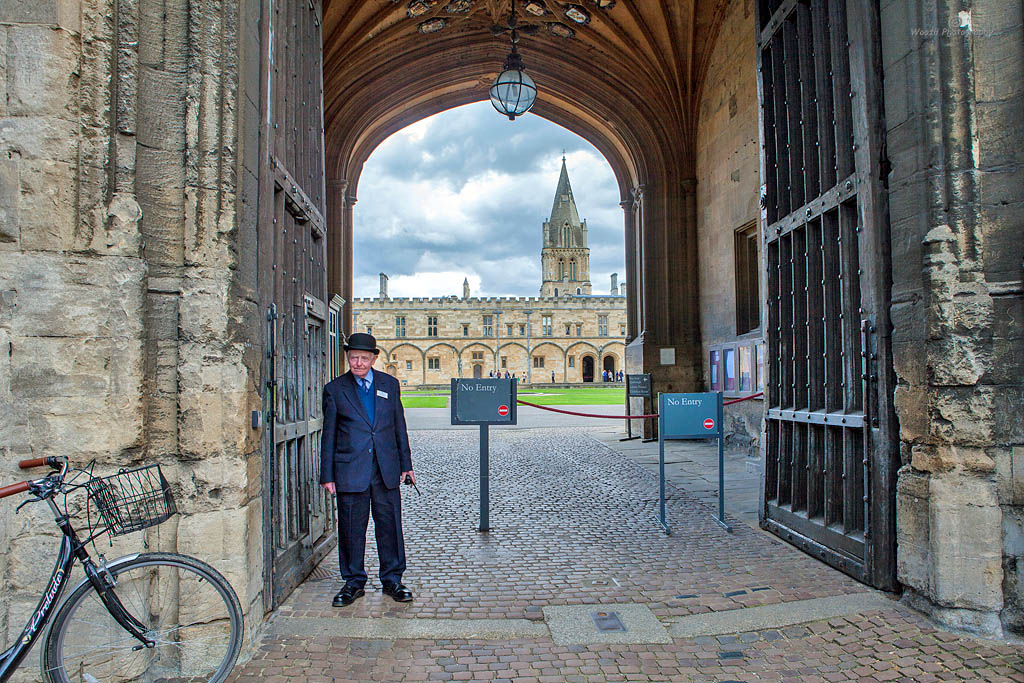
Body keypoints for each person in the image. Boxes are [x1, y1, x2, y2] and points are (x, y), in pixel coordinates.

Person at [320, 332, 415, 607]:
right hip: (350, 469)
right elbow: (329, 435)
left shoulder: (390, 384)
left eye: (363, 358)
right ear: (347, 358)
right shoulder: (335, 389)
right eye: (353, 358)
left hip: (385, 468)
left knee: (389, 525)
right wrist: (327, 475)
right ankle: (353, 582)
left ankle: (393, 579)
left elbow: (399, 426)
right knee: (351, 528)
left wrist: (406, 465)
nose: (358, 363)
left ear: (374, 358)